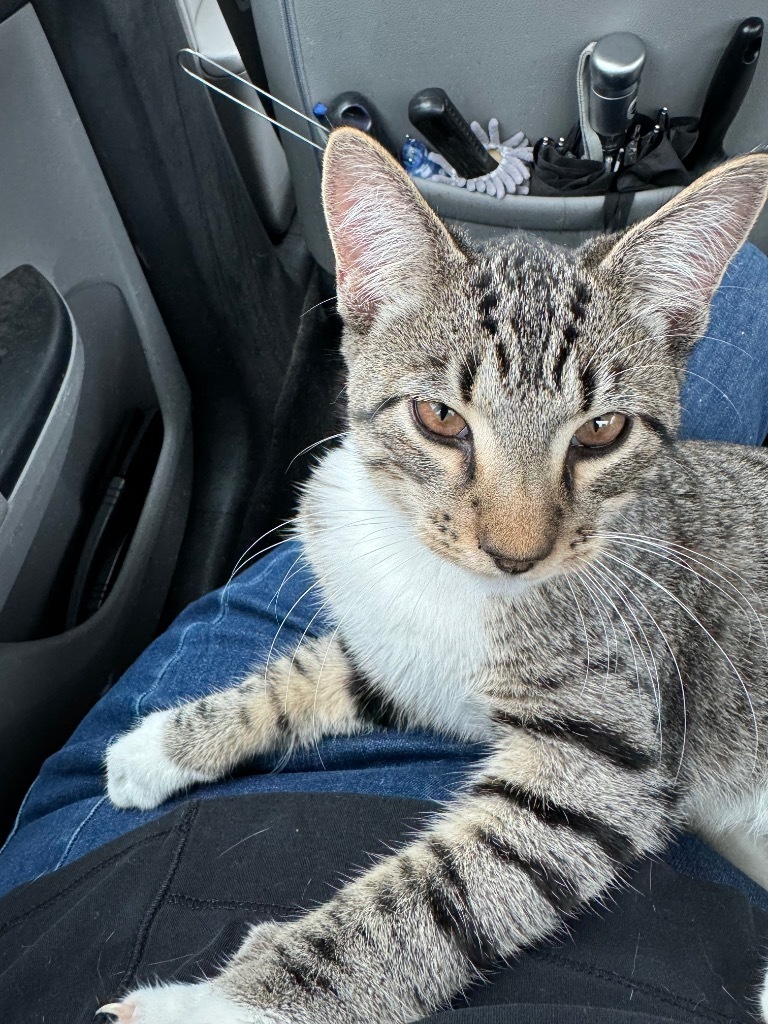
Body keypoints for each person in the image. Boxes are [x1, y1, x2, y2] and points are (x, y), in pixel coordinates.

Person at [3, 245, 768, 1024]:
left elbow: (593, 796)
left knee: (748, 277)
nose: (518, 538)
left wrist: (312, 993)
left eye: (598, 431)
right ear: (367, 304)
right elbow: (394, 677)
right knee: (756, 284)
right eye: (445, 418)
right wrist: (220, 729)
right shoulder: (340, 524)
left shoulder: (588, 584)